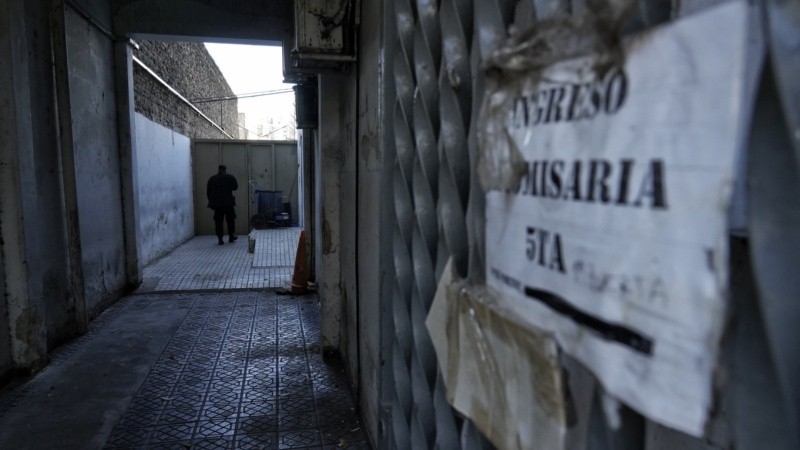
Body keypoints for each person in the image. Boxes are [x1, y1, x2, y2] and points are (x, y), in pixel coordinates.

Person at [207, 165, 239, 245]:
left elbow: (208, 192)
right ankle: (231, 237)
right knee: (230, 220)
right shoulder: (230, 177)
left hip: (217, 205)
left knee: (218, 221)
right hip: (228, 203)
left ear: (218, 170)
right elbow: (235, 187)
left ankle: (220, 239)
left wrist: (211, 201)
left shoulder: (212, 178)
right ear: (225, 170)